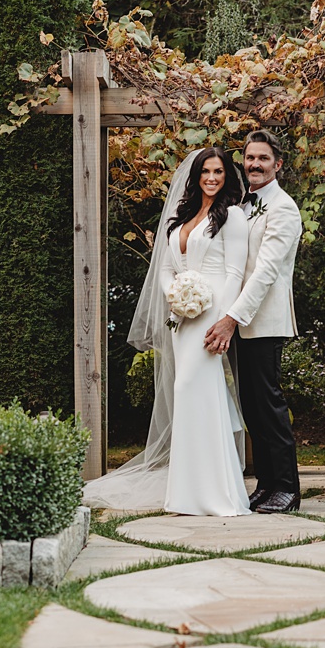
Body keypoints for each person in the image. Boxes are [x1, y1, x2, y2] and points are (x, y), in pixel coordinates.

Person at [82, 147, 251, 514]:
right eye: (205, 171)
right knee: (185, 392)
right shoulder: (181, 216)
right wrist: (175, 297)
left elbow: (235, 274)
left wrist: (221, 320)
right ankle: (187, 491)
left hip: (210, 319)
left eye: (218, 172)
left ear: (227, 176)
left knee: (197, 388)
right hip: (182, 318)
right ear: (195, 175)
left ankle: (216, 493)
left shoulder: (233, 217)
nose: (211, 178)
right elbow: (164, 268)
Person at [204, 129, 303, 514]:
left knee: (269, 404)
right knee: (252, 407)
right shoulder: (244, 204)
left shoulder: (283, 208)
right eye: (250, 158)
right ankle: (265, 483)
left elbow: (265, 272)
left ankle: (288, 488)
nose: (255, 165)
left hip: (262, 320)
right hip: (240, 320)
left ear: (277, 165)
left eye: (263, 159)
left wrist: (231, 318)